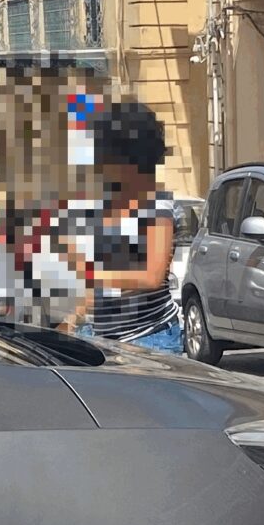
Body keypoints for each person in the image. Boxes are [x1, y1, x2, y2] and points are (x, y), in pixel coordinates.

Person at [55, 101, 182, 353]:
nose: (98, 163)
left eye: (105, 155)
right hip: (103, 339)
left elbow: (151, 276)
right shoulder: (100, 208)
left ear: (130, 159)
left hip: (151, 341)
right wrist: (70, 322)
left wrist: (90, 272)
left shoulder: (158, 208)